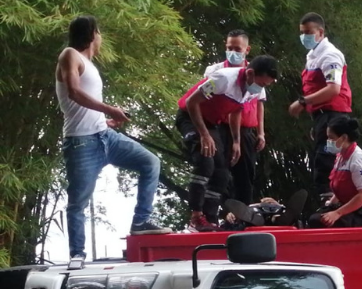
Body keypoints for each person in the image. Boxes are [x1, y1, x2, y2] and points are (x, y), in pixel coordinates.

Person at [56, 15, 171, 262]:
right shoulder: (69, 54)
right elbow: (74, 92)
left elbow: (84, 104)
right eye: (99, 33)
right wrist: (110, 109)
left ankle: (141, 221)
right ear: (92, 34)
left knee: (150, 162)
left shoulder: (89, 63)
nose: (101, 38)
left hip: (105, 136)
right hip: (81, 143)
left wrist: (105, 120)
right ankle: (77, 253)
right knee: (78, 202)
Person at [176, 55, 278, 232]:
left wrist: (236, 142)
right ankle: (196, 216)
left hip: (211, 123)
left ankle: (210, 218)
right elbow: (192, 102)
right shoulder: (223, 79)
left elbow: (236, 112)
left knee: (222, 172)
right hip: (190, 117)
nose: (262, 88)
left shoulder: (253, 89)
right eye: (262, 83)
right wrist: (203, 134)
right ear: (251, 73)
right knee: (206, 159)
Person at [288, 12, 353, 201]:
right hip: (322, 116)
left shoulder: (330, 55)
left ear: (320, 32)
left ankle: (333, 204)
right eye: (302, 33)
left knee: (327, 163)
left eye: (308, 32)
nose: (304, 37)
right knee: (321, 161)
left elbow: (333, 89)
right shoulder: (312, 56)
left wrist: (302, 102)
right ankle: (328, 203)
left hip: (335, 115)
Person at [204, 29, 266, 206]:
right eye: (229, 48)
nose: (233, 52)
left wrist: (261, 133)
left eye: (237, 49)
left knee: (245, 175)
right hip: (219, 127)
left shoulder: (256, 73)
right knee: (219, 172)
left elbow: (260, 102)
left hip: (246, 130)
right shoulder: (215, 70)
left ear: (247, 50)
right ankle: (217, 215)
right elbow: (202, 99)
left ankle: (243, 216)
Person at [308, 117, 362, 228]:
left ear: (343, 138)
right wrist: (330, 205)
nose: (328, 141)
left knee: (316, 221)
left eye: (331, 138)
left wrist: (337, 213)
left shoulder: (358, 159)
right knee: (316, 216)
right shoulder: (340, 157)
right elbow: (340, 190)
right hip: (350, 210)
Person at [223, 190, 308, 228]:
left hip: (277, 215)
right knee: (253, 215)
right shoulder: (252, 206)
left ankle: (281, 219)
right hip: (254, 214)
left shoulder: (279, 206)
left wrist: (277, 206)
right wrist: (233, 215)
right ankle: (256, 219)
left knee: (279, 216)